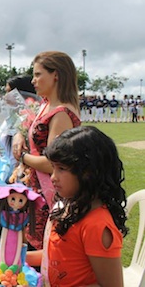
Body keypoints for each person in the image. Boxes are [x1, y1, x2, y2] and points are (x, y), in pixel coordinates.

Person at [26, 126, 127, 287]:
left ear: (89, 173)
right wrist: (19, 257)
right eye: (53, 168)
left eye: (61, 169)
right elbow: (57, 257)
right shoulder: (65, 207)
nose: (53, 177)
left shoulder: (97, 225)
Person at [12, 51, 81, 250]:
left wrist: (23, 157)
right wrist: (19, 135)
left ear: (56, 75)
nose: (33, 81)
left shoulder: (62, 114)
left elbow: (53, 163)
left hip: (49, 195)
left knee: (44, 252)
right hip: (36, 189)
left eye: (38, 74)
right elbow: (27, 126)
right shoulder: (45, 104)